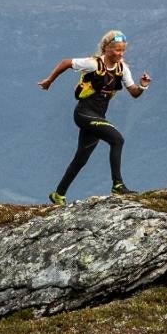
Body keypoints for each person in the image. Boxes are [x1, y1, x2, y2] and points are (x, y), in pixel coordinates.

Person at [40, 29, 151, 204]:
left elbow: (134, 93)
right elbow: (66, 62)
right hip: (83, 113)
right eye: (117, 50)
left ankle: (58, 195)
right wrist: (49, 80)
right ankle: (118, 185)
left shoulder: (122, 69)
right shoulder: (93, 64)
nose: (120, 54)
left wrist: (143, 86)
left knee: (81, 158)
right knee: (117, 140)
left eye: (123, 50)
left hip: (98, 116)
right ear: (106, 48)